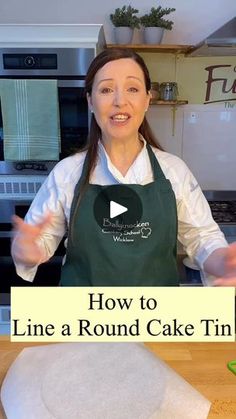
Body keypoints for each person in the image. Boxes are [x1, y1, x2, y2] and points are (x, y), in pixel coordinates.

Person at [11, 48, 236, 286]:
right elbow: (37, 241)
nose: (120, 101)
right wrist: (25, 250)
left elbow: (202, 238)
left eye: (133, 89)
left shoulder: (174, 171)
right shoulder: (68, 172)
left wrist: (224, 262)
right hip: (83, 317)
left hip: (156, 318)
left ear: (147, 99)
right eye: (106, 89)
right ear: (90, 100)